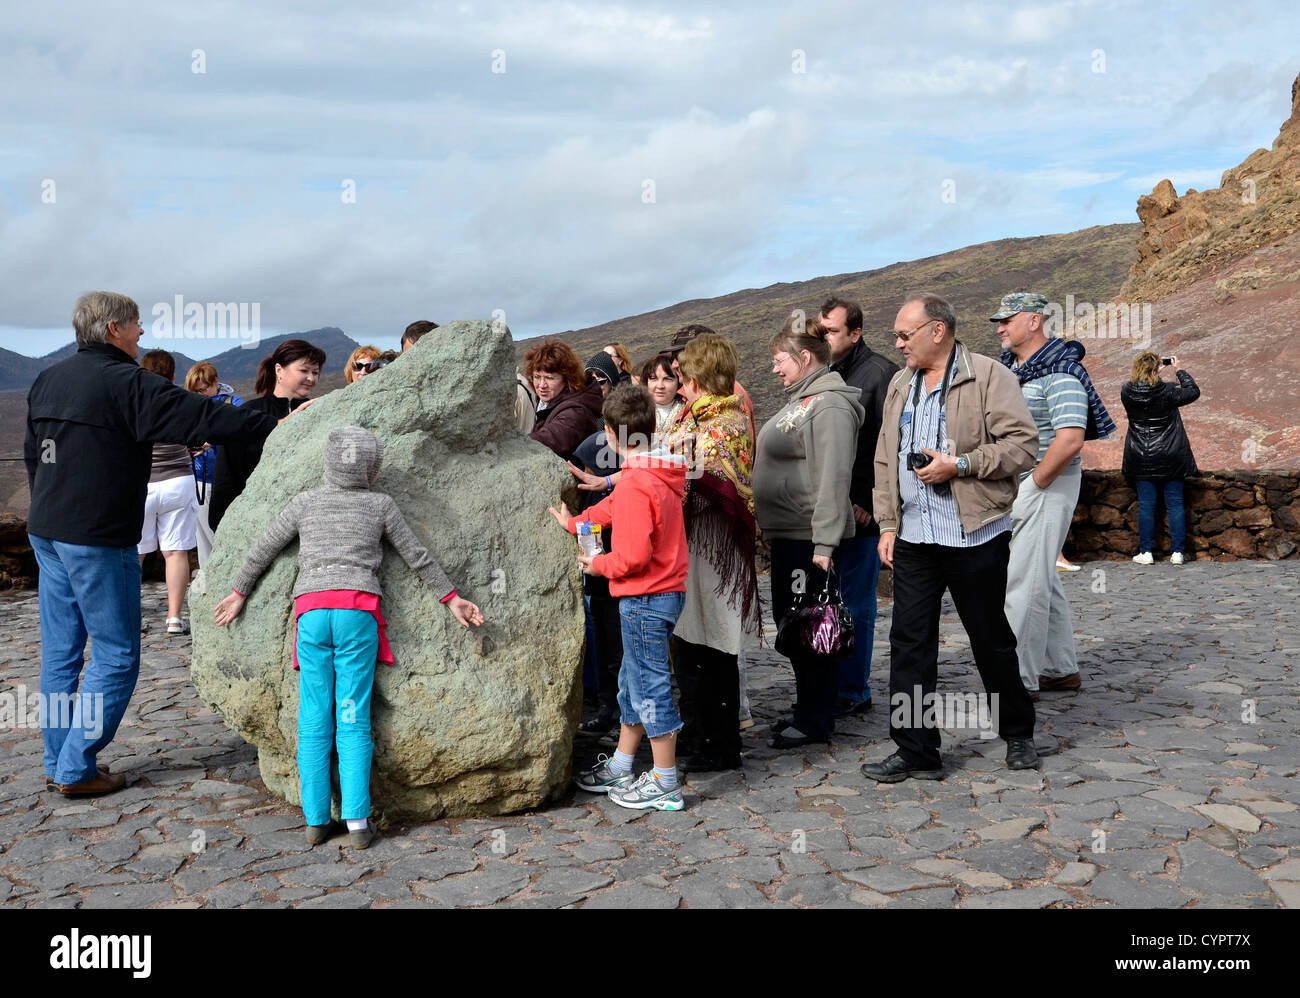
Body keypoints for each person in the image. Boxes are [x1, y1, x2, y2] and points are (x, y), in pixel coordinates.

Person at [24, 291, 288, 797]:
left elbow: (34, 456)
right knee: (117, 653)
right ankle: (76, 768)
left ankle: (58, 759)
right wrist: (273, 423)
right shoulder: (128, 382)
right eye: (136, 324)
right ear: (114, 329)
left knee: (60, 653)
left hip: (48, 530)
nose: (142, 332)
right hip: (97, 535)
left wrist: (47, 507)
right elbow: (204, 416)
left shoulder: (49, 379)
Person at [214, 426, 484, 848]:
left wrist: (238, 593)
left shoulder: (304, 503)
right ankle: (358, 821)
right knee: (353, 716)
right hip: (358, 614)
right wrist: (451, 599)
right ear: (373, 472)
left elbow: (263, 549)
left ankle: (316, 819)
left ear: (328, 464)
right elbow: (417, 555)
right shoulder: (381, 505)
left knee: (313, 716)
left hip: (312, 614)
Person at [865, 292, 1040, 783]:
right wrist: (888, 524)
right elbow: (885, 458)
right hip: (916, 537)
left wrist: (958, 466)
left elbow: (1023, 446)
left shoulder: (988, 375)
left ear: (936, 330)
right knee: (909, 644)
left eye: (905, 334)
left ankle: (1019, 733)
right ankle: (916, 749)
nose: (898, 344)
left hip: (975, 535)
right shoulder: (901, 383)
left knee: (990, 639)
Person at [551, 385, 690, 811]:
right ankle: (622, 762)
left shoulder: (635, 484)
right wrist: (577, 522)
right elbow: (611, 508)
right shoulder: (649, 473)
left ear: (610, 434)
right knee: (632, 682)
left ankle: (666, 780)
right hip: (661, 594)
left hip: (645, 597)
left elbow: (631, 556)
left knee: (650, 685)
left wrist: (598, 566)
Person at [994, 291, 1116, 697]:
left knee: (1022, 582)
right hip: (1025, 482)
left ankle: (1018, 680)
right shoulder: (1011, 370)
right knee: (1040, 574)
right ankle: (1060, 669)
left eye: (1007, 320)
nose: (999, 327)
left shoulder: (1062, 373)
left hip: (1046, 482)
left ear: (1034, 321)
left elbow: (1070, 440)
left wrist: (1034, 484)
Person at [753, 313, 863, 749]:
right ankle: (808, 710)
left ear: (804, 357)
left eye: (780, 361)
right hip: (791, 535)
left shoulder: (829, 404)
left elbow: (833, 477)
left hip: (809, 541)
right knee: (796, 625)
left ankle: (817, 719)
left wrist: (825, 542)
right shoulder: (803, 399)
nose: (775, 369)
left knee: (814, 627)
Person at [664, 334, 760, 771]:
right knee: (688, 639)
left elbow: (707, 485)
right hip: (690, 545)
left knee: (715, 642)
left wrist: (668, 485)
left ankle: (719, 745)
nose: (679, 381)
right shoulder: (692, 415)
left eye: (684, 374)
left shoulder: (725, 420)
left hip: (714, 545)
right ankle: (696, 733)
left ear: (700, 376)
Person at [821, 296, 898, 717]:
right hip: (833, 511)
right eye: (822, 331)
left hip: (863, 514)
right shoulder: (828, 373)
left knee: (857, 603)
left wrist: (870, 503)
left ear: (855, 333)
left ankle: (854, 688)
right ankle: (836, 682)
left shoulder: (881, 374)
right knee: (832, 601)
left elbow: (889, 445)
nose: (825, 338)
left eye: (832, 331)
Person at [209, 339, 325, 531]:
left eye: (315, 372)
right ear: (279, 370)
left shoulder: (318, 413)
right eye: (304, 371)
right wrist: (224, 527)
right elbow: (227, 475)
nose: (311, 378)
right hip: (254, 525)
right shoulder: (250, 413)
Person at [137, 351, 200, 635]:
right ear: (173, 375)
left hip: (142, 483)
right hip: (178, 480)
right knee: (176, 552)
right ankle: (174, 618)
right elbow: (198, 435)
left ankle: (129, 618)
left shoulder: (134, 398)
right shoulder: (182, 400)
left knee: (133, 554)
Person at [1122, 352, 1200, 565]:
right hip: (1171, 454)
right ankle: (1177, 553)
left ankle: (1146, 552)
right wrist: (1178, 370)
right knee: (1175, 504)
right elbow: (1193, 392)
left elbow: (1145, 389)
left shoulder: (1127, 391)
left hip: (1141, 455)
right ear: (1157, 369)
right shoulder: (1167, 391)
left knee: (1146, 505)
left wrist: (1153, 372)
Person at [185, 362, 243, 567]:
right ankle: (208, 587)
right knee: (203, 541)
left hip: (224, 481)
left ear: (215, 382)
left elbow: (242, 434)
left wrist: (213, 441)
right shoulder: (192, 406)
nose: (200, 395)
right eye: (195, 391)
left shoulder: (234, 404)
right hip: (198, 480)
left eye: (203, 389)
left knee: (220, 537)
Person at [664, 325, 757, 445]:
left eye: (681, 357)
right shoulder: (693, 394)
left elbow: (732, 450)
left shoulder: (728, 394)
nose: (674, 365)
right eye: (673, 357)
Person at [525, 338, 603, 462]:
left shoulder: (576, 411)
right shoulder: (549, 401)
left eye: (549, 378)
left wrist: (512, 445)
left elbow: (550, 439)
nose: (541, 385)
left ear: (567, 378)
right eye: (537, 377)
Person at [641, 354, 685, 435]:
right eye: (654, 378)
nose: (660, 386)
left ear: (679, 382)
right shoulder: (635, 410)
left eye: (667, 379)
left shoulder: (687, 411)